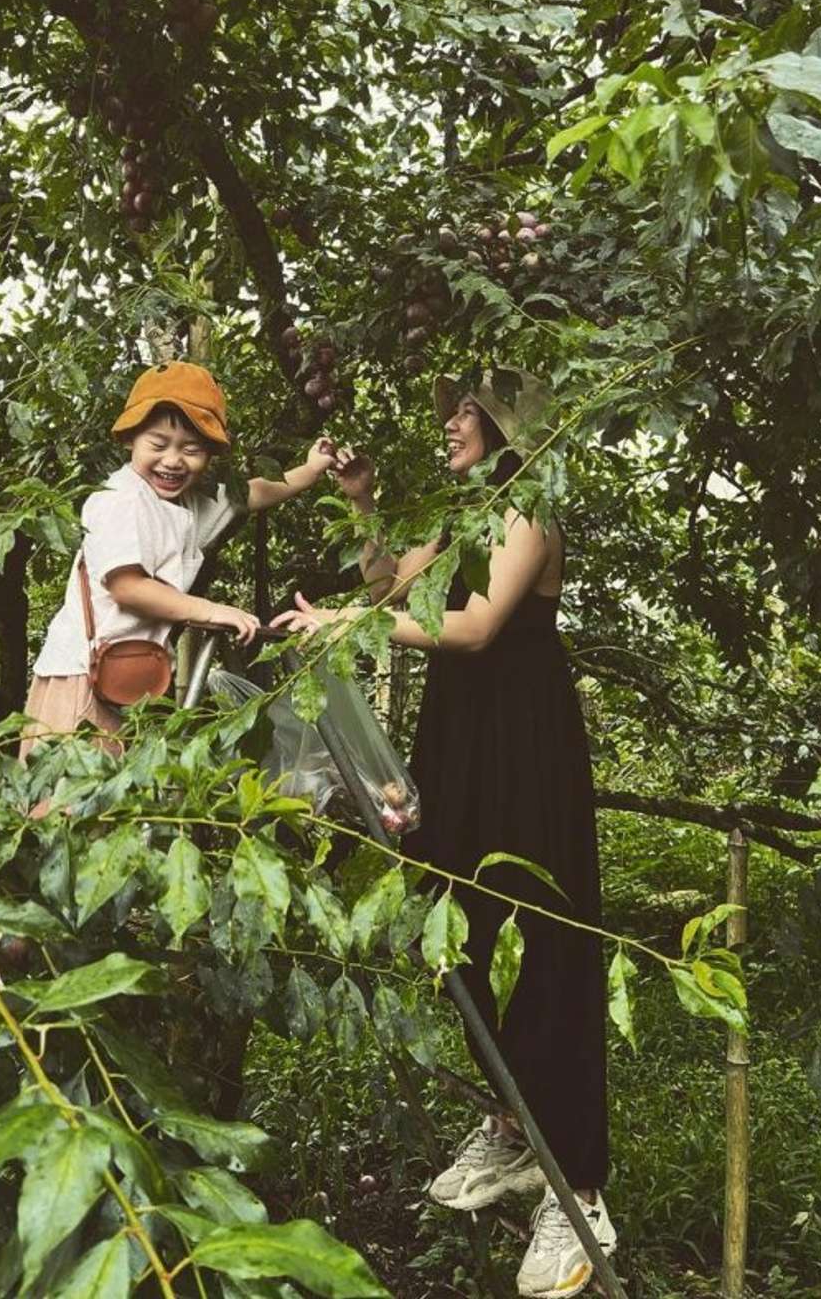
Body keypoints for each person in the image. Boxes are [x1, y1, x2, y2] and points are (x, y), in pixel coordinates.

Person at [273, 369, 614, 1299]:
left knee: (546, 945)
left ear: (504, 427)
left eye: (466, 412)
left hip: (524, 741)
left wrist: (351, 619)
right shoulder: (468, 510)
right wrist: (362, 504)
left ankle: (577, 1188)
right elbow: (396, 584)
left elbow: (470, 628)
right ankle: (513, 1127)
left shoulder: (528, 508)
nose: (450, 425)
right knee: (452, 927)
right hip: (460, 741)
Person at [23, 359, 338, 755]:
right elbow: (128, 587)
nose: (173, 460)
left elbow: (250, 495)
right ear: (129, 441)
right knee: (67, 805)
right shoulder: (120, 499)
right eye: (157, 445)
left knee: (118, 805)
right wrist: (209, 609)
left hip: (130, 684)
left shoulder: (185, 506)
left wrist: (311, 470)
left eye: (190, 449)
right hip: (81, 679)